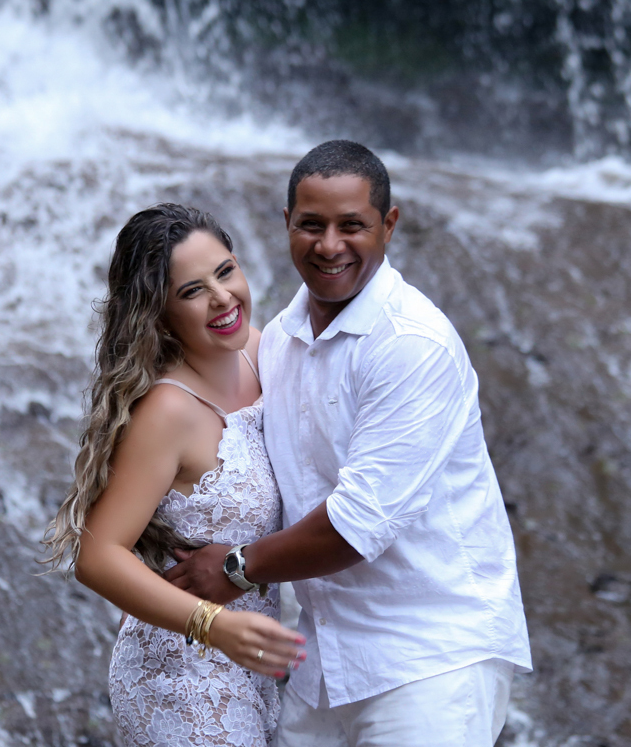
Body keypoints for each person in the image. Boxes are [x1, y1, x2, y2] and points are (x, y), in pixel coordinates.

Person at [165, 140, 532, 747]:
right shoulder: (278, 340)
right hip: (322, 664)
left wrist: (236, 567)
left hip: (429, 663)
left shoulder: (411, 344)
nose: (329, 245)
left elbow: (358, 524)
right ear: (287, 223)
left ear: (389, 225)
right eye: (311, 225)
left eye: (352, 226)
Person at [41, 204, 306, 747]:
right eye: (192, 291)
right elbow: (96, 555)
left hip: (253, 661)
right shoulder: (167, 411)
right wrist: (214, 624)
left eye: (226, 271)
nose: (222, 298)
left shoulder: (261, 351)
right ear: (159, 313)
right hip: (181, 672)